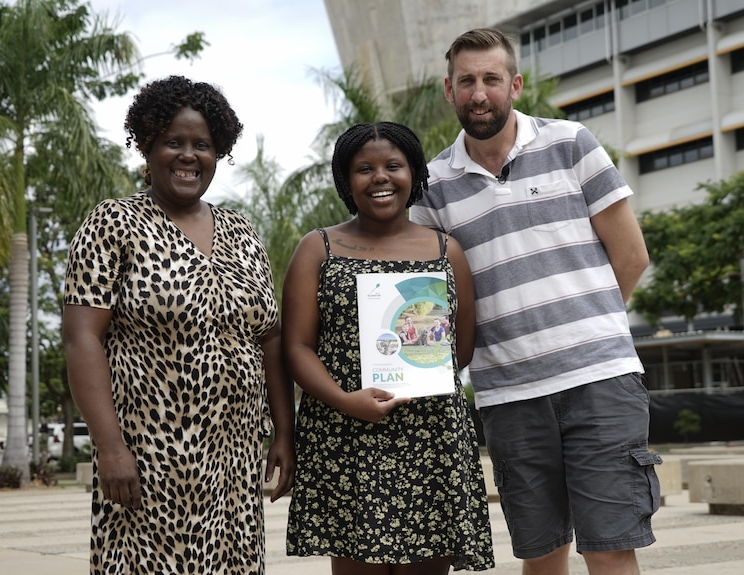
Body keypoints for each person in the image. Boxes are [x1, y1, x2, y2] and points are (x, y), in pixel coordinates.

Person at [409, 28, 661, 575]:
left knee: (610, 547)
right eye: (467, 81)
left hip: (600, 380)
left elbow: (632, 256)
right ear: (448, 91)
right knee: (541, 552)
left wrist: (582, 325)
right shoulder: (430, 187)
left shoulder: (571, 142)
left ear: (515, 85)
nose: (480, 93)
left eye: (491, 80)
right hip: (509, 396)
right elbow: (428, 298)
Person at [61, 75, 295, 575]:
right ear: (147, 146)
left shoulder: (241, 229)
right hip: (149, 455)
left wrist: (283, 430)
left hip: (233, 455)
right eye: (174, 142)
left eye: (202, 145)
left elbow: (270, 337)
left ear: (219, 153)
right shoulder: (113, 223)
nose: (189, 155)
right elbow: (82, 338)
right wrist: (109, 446)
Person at [283, 121, 494, 574]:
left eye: (393, 166)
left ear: (414, 174)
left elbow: (463, 346)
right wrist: (345, 400)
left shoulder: (446, 250)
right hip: (347, 435)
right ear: (346, 181)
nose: (380, 177)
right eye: (364, 169)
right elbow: (297, 346)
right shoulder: (318, 248)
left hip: (430, 436)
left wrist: (416, 376)